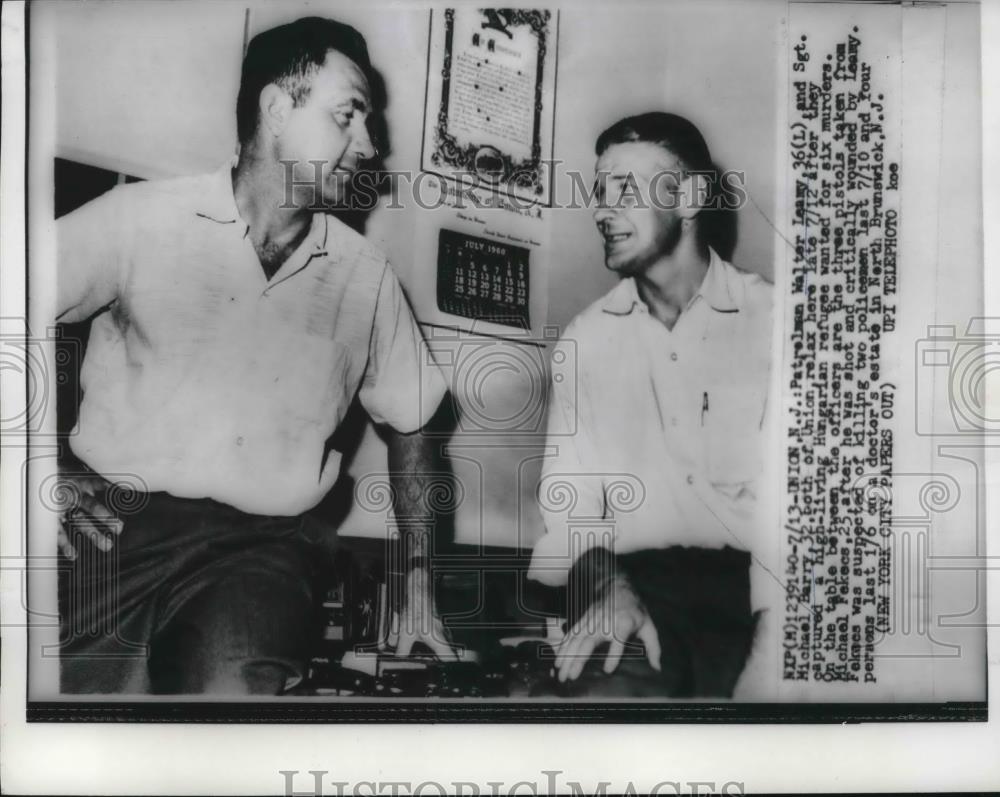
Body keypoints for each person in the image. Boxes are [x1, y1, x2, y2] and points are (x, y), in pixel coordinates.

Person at [55, 17, 455, 695]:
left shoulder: (367, 276)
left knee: (231, 701)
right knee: (73, 717)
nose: (371, 143)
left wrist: (416, 579)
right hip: (112, 532)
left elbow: (414, 423)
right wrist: (43, 466)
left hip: (261, 550)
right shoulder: (139, 218)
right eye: (348, 115)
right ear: (276, 108)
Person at [529, 112, 773, 697]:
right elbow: (571, 517)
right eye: (599, 190)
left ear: (689, 198)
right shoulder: (586, 342)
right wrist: (611, 587)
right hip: (636, 588)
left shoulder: (779, 323)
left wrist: (774, 654)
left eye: (625, 189)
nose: (601, 210)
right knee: (595, 707)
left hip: (762, 598)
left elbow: (808, 524)